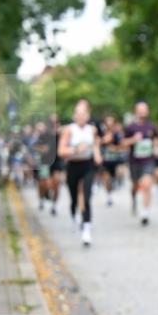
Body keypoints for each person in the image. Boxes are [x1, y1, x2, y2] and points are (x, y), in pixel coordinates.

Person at [58, 99, 102, 246]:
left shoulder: (92, 130)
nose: (81, 117)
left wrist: (97, 154)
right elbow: (61, 151)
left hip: (88, 165)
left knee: (87, 195)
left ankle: (86, 229)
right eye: (78, 114)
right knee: (74, 196)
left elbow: (95, 144)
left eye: (84, 114)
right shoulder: (69, 130)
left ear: (88, 116)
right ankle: (73, 214)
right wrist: (76, 150)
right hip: (73, 165)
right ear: (74, 116)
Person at [124, 101, 158, 226]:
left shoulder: (151, 127)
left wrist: (156, 148)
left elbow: (155, 139)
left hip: (148, 160)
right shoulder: (130, 127)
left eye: (145, 109)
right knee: (135, 185)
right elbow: (122, 143)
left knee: (146, 184)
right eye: (140, 109)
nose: (143, 112)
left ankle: (145, 211)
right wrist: (133, 139)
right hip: (134, 162)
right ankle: (133, 198)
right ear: (136, 111)